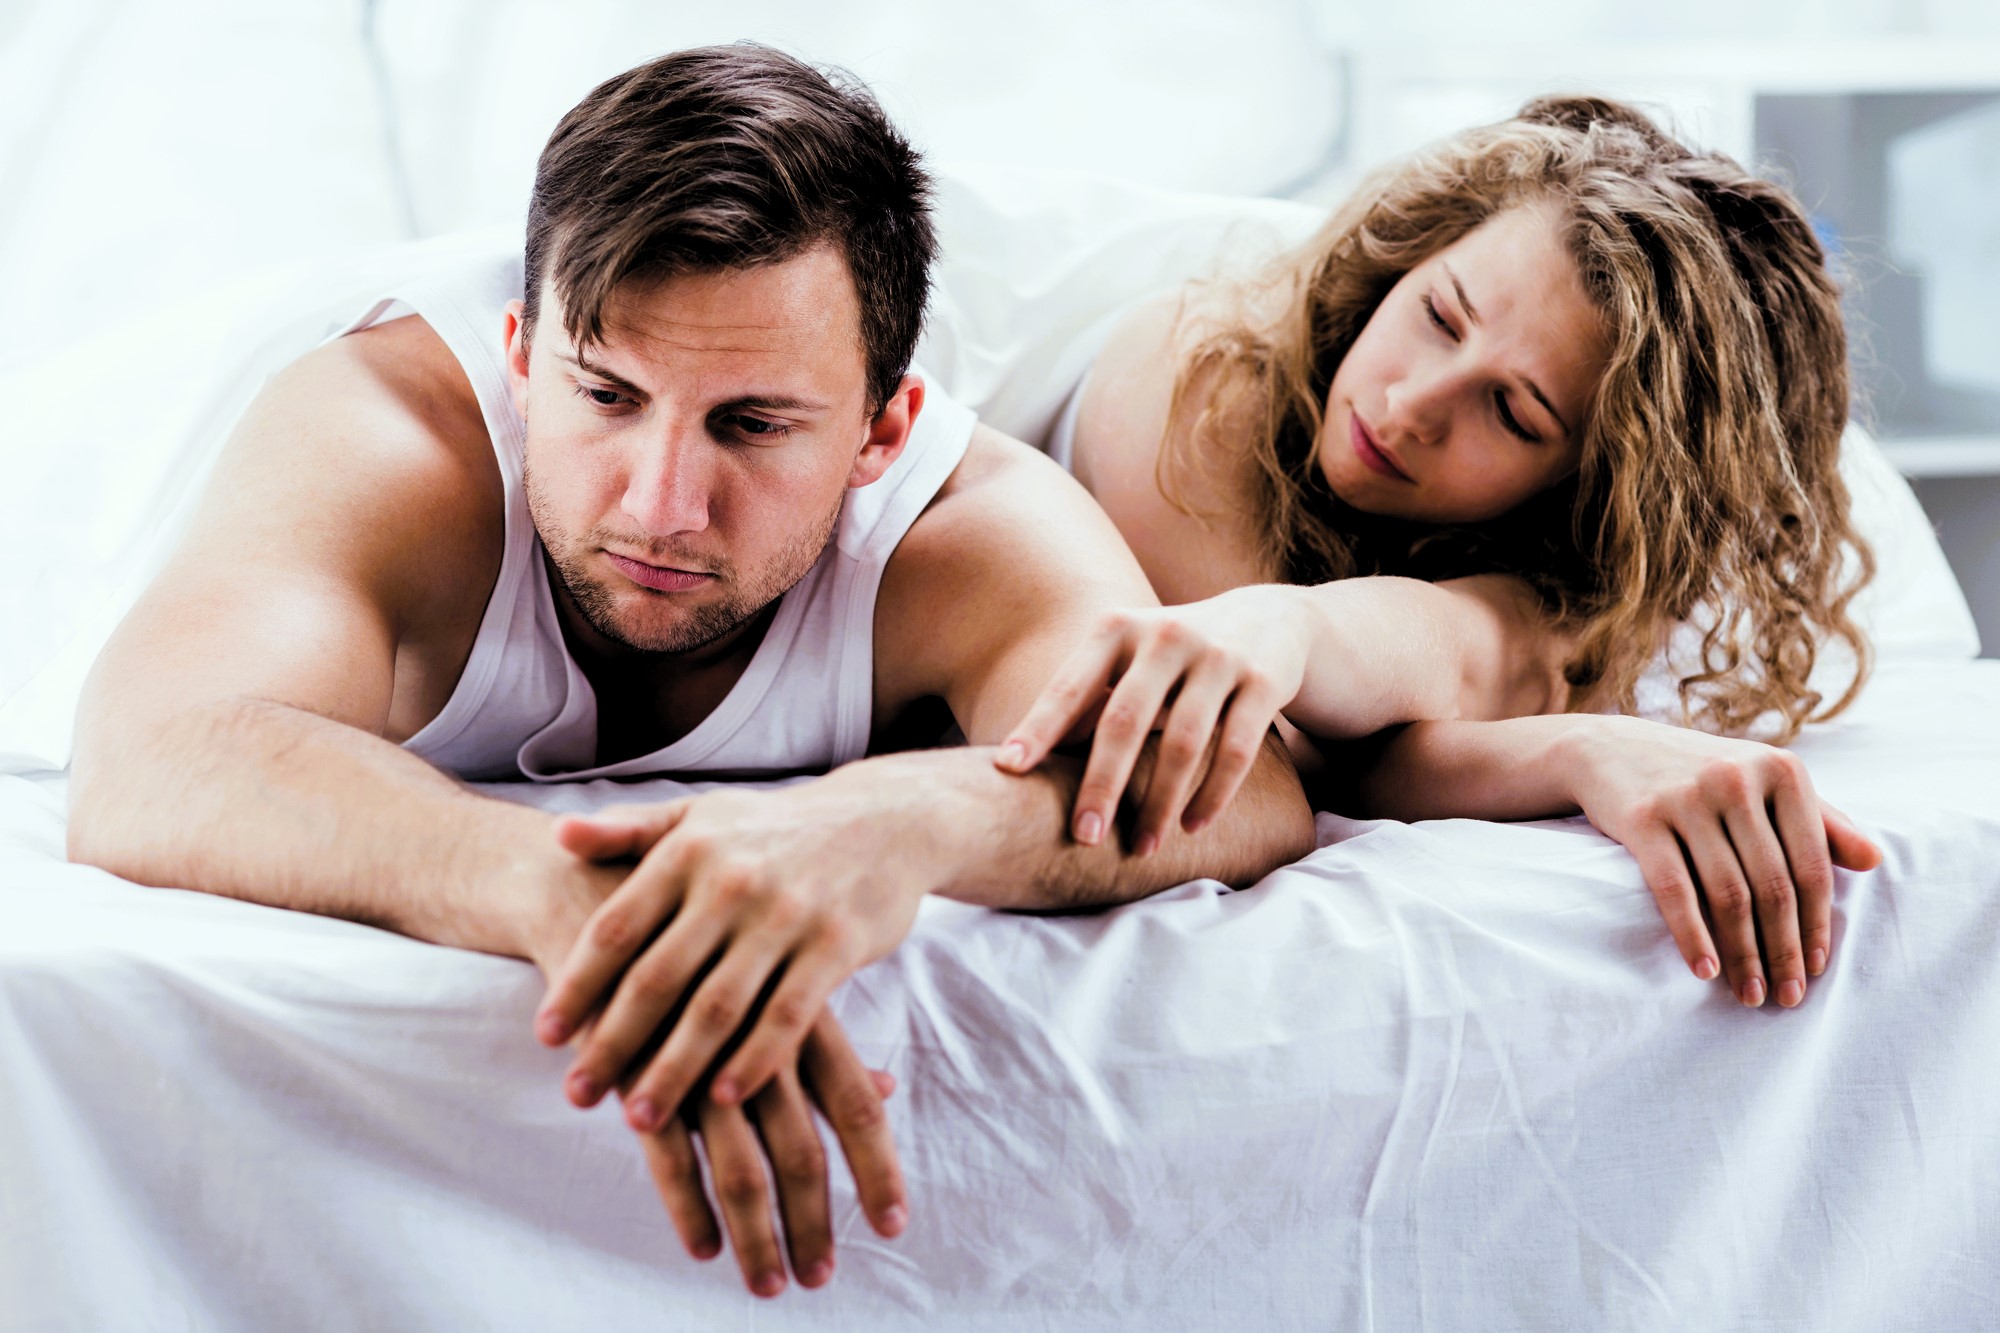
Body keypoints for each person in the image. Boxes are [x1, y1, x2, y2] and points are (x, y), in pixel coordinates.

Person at [62, 45, 1326, 1299]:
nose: (662, 506)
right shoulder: (384, 440)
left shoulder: (961, 530)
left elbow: (1243, 783)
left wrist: (894, 823)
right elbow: (152, 748)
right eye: (605, 395)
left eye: (752, 425)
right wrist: (566, 901)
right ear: (519, 354)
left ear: (883, 428)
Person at [998, 95, 1883, 1018]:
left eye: (1513, 413)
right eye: (1439, 314)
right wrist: (1565, 746)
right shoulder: (1194, 376)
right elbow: (1285, 752)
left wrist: (1586, 743)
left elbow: (1456, 651)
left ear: (1586, 489)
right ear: (1413, 255)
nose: (1412, 403)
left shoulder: (1569, 571)